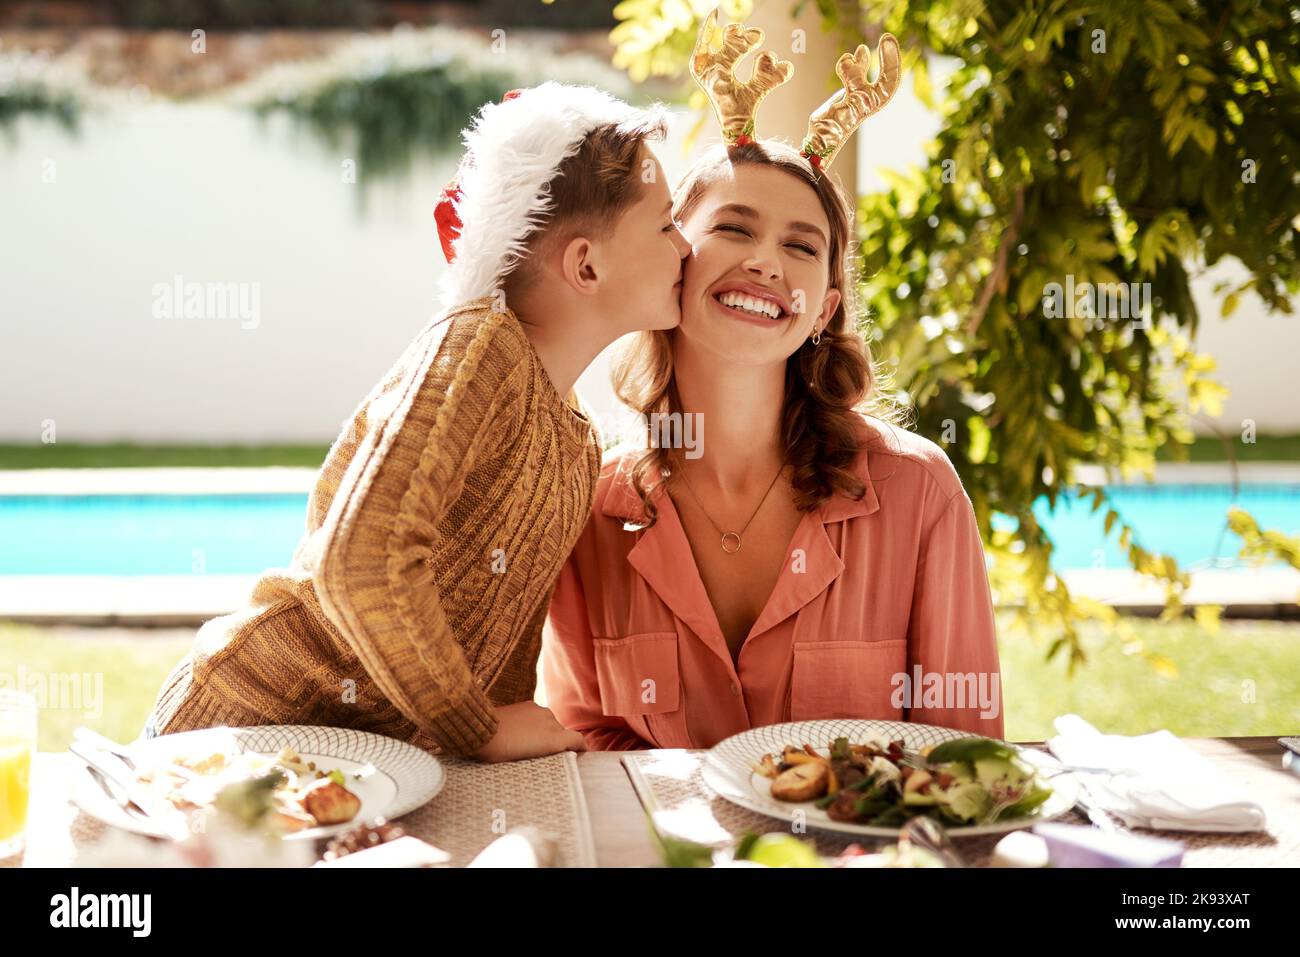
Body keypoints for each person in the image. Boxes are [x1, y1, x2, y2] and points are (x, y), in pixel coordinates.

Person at [142, 82, 692, 762]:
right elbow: (361, 559)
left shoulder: (575, 440)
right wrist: (480, 729)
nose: (687, 247)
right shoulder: (478, 348)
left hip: (367, 767)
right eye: (667, 224)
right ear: (586, 264)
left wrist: (484, 740)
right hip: (248, 732)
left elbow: (502, 638)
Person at [541, 15, 1004, 749]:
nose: (767, 262)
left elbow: (965, 753)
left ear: (823, 309)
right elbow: (585, 736)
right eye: (734, 228)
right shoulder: (589, 507)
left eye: (800, 245)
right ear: (673, 260)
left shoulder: (921, 494)